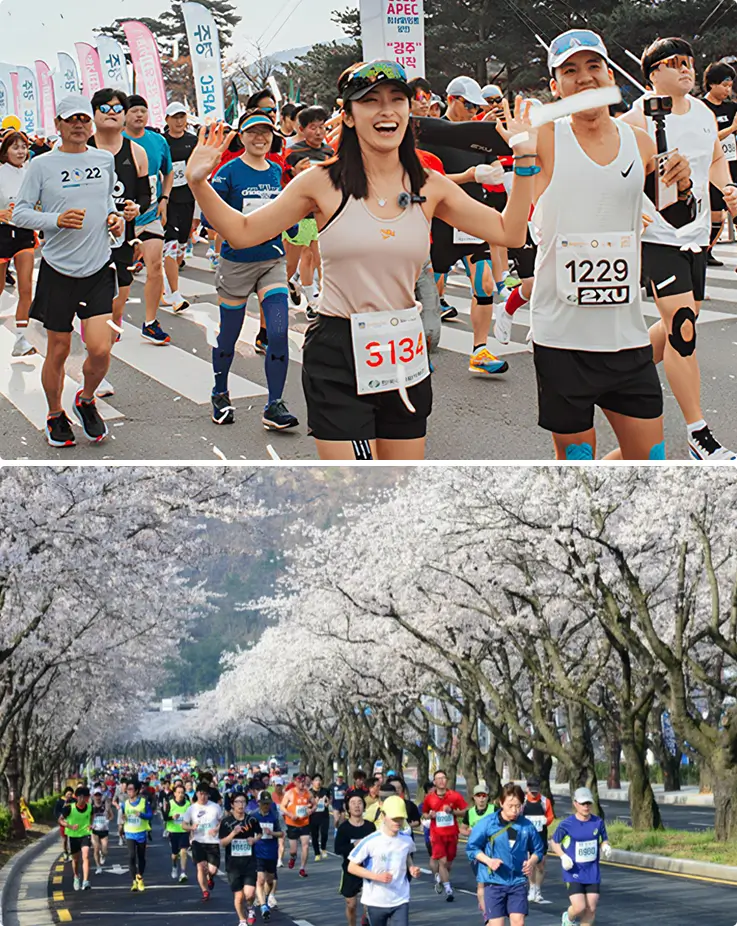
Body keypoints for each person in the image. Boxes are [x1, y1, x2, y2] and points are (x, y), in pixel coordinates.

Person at [186, 59, 538, 461]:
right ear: (349, 116)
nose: (386, 110)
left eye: (396, 99)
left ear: (409, 111)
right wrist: (198, 183)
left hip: (404, 347)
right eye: (370, 101)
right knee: (353, 490)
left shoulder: (429, 184)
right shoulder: (321, 181)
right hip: (338, 350)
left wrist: (525, 161)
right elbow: (244, 232)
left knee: (400, 490)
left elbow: (509, 233)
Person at [531, 29, 693, 460]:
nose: (584, 78)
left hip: (625, 336)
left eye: (593, 66)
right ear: (555, 86)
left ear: (609, 75)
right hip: (561, 338)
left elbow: (676, 215)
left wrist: (685, 182)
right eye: (570, 70)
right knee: (578, 470)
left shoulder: (640, 142)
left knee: (649, 460)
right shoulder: (545, 138)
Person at [622, 37, 737, 460]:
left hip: (697, 234)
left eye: (689, 61)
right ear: (653, 73)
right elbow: (622, 169)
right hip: (659, 238)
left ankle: (624, 366)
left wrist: (727, 188)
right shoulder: (637, 116)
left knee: (680, 325)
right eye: (674, 62)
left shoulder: (706, 113)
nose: (686, 68)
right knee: (684, 328)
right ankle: (698, 435)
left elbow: (713, 158)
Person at [12, 94, 124, 447]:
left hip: (98, 268)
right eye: (69, 119)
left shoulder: (104, 159)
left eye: (82, 119)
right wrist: (55, 221)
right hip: (59, 271)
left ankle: (86, 400)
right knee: (58, 351)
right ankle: (54, 413)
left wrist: (115, 219)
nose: (78, 124)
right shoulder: (41, 165)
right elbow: (20, 214)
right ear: (58, 125)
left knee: (101, 348)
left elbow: (108, 202)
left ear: (90, 124)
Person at [207, 109, 299, 432]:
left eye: (266, 132)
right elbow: (209, 216)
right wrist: (237, 224)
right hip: (236, 263)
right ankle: (220, 393)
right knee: (228, 337)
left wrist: (291, 223)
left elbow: (288, 211)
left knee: (277, 332)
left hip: (272, 261)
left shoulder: (276, 171)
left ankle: (274, 404)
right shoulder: (227, 173)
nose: (260, 138)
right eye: (253, 132)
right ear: (241, 136)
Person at [89, 87, 150, 399]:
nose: (111, 111)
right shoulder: (80, 148)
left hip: (121, 241)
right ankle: (96, 371)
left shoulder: (135, 152)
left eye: (117, 107)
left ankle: (100, 367)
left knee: (115, 309)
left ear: (125, 114)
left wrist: (135, 209)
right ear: (94, 113)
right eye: (104, 106)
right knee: (91, 311)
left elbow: (144, 195)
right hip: (85, 243)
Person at [123, 94, 172, 344]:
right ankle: (103, 316)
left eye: (143, 110)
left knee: (155, 266)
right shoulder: (115, 141)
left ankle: (150, 322)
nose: (139, 115)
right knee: (117, 272)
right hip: (120, 217)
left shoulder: (158, 141)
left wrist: (164, 199)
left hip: (150, 213)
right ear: (124, 115)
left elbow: (169, 172)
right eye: (134, 111)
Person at [466, 782, 545, 926]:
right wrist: (489, 861)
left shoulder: (526, 825)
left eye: (518, 806)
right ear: (501, 803)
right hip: (494, 882)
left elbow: (538, 850)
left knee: (518, 922)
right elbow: (472, 848)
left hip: (517, 881)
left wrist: (531, 862)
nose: (515, 810)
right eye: (510, 806)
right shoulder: (488, 823)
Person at [347, 795, 421, 926]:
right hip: (376, 901)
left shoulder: (406, 840)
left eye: (401, 819)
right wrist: (377, 877)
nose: (397, 822)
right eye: (394, 819)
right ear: (383, 816)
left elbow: (407, 854)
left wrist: (411, 868)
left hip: (400, 899)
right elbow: (351, 867)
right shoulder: (371, 841)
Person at [550, 787, 612, 926]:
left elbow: (603, 839)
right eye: (583, 804)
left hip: (592, 871)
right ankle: (569, 918)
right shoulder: (567, 824)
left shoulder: (598, 822)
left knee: (591, 908)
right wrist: (563, 856)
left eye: (588, 803)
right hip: (573, 871)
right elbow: (554, 842)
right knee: (579, 907)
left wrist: (605, 846)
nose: (586, 807)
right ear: (575, 803)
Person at [0, 129, 37, 357]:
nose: (21, 151)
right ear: (5, 151)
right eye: (15, 147)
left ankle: (22, 339)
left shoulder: (32, 172)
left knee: (26, 289)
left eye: (23, 147)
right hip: (1, 234)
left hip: (24, 234)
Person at [162, 101, 198, 311]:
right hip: (167, 199)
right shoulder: (162, 141)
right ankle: (173, 293)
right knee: (171, 242)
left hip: (187, 197)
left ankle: (170, 279)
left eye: (182, 117)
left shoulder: (192, 141)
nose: (179, 121)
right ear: (167, 120)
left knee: (181, 242)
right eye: (174, 117)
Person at [701, 61, 737, 264]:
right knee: (717, 216)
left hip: (733, 164)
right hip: (712, 167)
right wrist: (731, 129)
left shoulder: (732, 107)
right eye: (724, 84)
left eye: (730, 85)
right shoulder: (701, 109)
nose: (727, 89)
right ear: (712, 84)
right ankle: (705, 251)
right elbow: (710, 138)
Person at [421, 769, 467, 902]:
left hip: (452, 834)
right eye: (438, 778)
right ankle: (448, 890)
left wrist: (452, 812)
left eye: (443, 778)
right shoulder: (429, 798)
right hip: (437, 835)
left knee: (448, 863)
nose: (441, 780)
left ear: (447, 780)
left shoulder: (454, 796)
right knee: (443, 861)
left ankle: (440, 878)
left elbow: (465, 811)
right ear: (434, 782)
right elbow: (424, 813)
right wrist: (430, 815)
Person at [219, 790, 262, 926]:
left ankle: (250, 907)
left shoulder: (251, 820)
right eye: (237, 802)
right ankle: (242, 920)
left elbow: (260, 834)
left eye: (243, 802)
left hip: (249, 862)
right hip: (233, 865)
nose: (241, 805)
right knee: (239, 896)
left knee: (249, 894)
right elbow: (222, 843)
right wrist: (233, 833)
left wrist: (254, 840)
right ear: (232, 804)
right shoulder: (226, 822)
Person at [335, 793, 376, 926]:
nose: (357, 806)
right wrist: (354, 845)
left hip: (368, 869)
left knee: (368, 904)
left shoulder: (370, 827)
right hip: (350, 870)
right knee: (351, 905)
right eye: (353, 803)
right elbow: (338, 849)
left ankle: (366, 921)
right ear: (348, 808)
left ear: (364, 806)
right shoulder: (344, 828)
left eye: (359, 803)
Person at [183, 781, 225, 901]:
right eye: (201, 794)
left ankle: (210, 877)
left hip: (212, 842)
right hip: (198, 841)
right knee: (200, 867)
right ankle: (205, 891)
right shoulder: (192, 809)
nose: (203, 796)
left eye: (206, 794)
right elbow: (184, 825)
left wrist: (216, 829)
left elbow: (223, 821)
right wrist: (191, 828)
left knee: (212, 869)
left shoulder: (215, 807)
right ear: (197, 794)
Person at [459, 782, 495, 910]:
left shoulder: (494, 810)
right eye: (478, 796)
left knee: (489, 881)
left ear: (487, 797)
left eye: (484, 795)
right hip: (476, 851)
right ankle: (485, 907)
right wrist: (467, 832)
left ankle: (487, 904)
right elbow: (461, 829)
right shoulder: (470, 813)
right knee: (481, 881)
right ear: (474, 797)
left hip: (492, 850)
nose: (481, 798)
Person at [520, 777, 554, 903]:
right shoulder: (522, 801)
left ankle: (538, 889)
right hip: (527, 838)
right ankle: (532, 888)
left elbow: (550, 816)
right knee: (529, 863)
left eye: (536, 791)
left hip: (541, 837)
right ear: (527, 788)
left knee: (540, 865)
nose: (534, 793)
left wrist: (546, 820)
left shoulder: (545, 801)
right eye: (531, 791)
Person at [251, 790, 283, 920]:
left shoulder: (274, 817)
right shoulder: (253, 817)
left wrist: (272, 833)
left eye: (268, 804)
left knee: (269, 881)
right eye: (264, 804)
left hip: (271, 852)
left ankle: (262, 897)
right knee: (260, 880)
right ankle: (264, 906)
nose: (266, 806)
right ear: (259, 803)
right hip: (258, 852)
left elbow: (281, 834)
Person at [120, 778, 153, 891]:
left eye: (131, 789)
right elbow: (123, 816)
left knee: (141, 857)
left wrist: (141, 815)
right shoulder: (125, 804)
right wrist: (123, 818)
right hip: (129, 832)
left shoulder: (144, 802)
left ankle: (140, 876)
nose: (129, 791)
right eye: (127, 789)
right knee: (131, 856)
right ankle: (134, 881)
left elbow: (150, 815)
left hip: (141, 833)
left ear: (137, 790)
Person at [279, 773, 315, 876]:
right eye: (299, 782)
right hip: (292, 823)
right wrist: (289, 814)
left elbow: (315, 805)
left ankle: (302, 868)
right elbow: (282, 806)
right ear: (295, 782)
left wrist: (311, 810)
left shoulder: (308, 793)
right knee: (293, 850)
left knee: (306, 846)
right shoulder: (290, 793)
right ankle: (293, 857)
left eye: (303, 781)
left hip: (304, 823)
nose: (302, 784)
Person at [59, 786, 93, 891]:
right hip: (73, 836)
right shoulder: (69, 808)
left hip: (85, 834)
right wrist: (69, 826)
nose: (85, 799)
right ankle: (76, 876)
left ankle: (86, 881)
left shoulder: (90, 807)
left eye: (87, 797)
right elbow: (60, 820)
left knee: (86, 856)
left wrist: (91, 824)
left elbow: (92, 816)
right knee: (75, 859)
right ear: (78, 797)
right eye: (83, 797)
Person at [162, 781, 191, 882]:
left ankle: (183, 873)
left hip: (184, 831)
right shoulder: (170, 803)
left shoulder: (188, 804)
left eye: (182, 792)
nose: (181, 794)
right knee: (175, 854)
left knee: (183, 851)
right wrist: (171, 817)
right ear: (174, 793)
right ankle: (174, 865)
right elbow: (165, 817)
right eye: (178, 792)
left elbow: (191, 817)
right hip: (173, 831)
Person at [89, 788, 113, 875]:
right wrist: (90, 824)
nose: (98, 797)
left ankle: (102, 855)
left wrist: (108, 820)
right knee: (96, 848)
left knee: (104, 850)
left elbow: (111, 815)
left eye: (99, 795)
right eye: (96, 795)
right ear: (93, 796)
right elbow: (88, 817)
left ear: (101, 796)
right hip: (95, 830)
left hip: (104, 830)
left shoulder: (105, 805)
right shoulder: (91, 806)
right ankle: (98, 867)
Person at [309, 773, 331, 860]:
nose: (318, 782)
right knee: (314, 835)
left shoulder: (325, 791)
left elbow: (329, 800)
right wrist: (314, 802)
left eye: (319, 780)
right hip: (313, 816)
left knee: (324, 833)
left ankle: (323, 848)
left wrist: (327, 803)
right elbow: (306, 804)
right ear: (312, 782)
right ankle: (317, 853)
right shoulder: (309, 792)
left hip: (324, 815)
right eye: (316, 780)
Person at [54, 787, 75, 861]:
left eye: (71, 794)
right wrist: (60, 817)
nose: (69, 795)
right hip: (63, 822)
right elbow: (56, 811)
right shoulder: (60, 801)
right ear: (65, 793)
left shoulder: (74, 801)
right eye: (68, 794)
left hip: (72, 822)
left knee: (72, 838)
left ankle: (72, 853)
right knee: (65, 839)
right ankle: (65, 852)